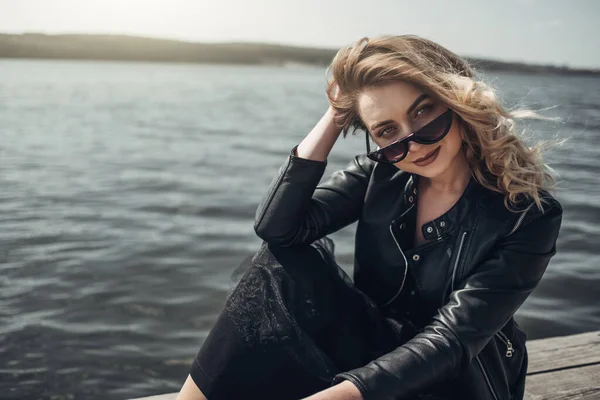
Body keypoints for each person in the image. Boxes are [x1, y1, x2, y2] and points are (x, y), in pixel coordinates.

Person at [175, 35, 563, 400]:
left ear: (457, 100)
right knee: (278, 264)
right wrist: (335, 115)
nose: (413, 141)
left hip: (458, 380)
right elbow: (278, 228)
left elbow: (453, 341)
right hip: (372, 352)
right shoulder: (382, 173)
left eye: (424, 111)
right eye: (387, 130)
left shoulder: (527, 215)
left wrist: (340, 394)